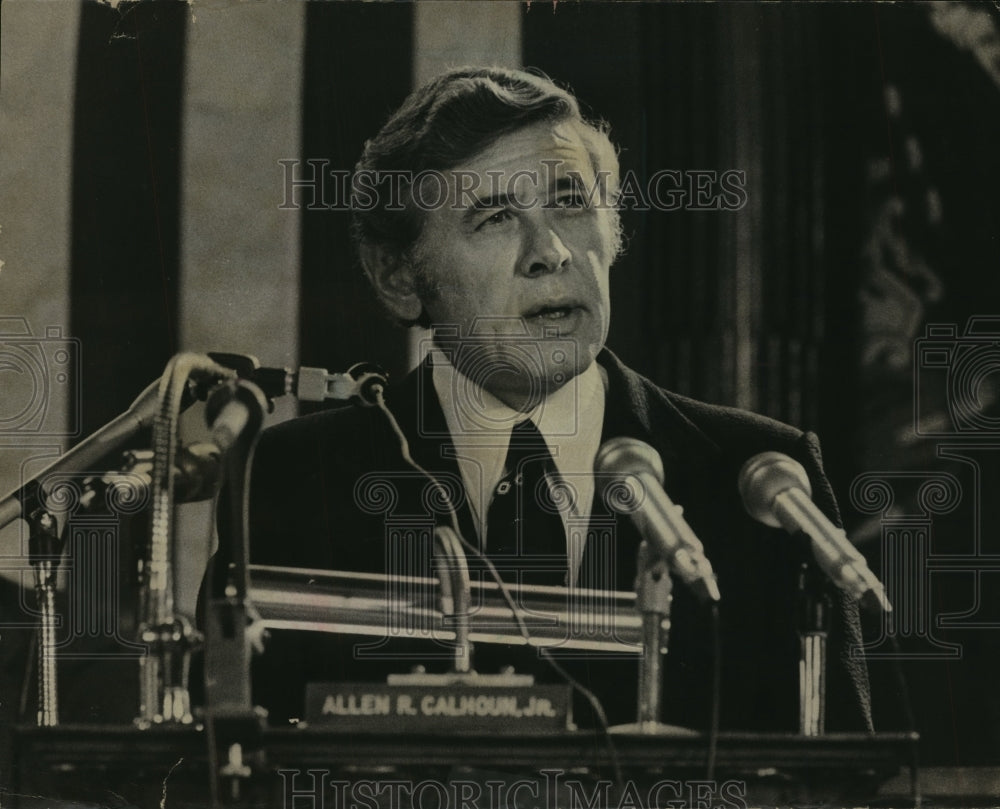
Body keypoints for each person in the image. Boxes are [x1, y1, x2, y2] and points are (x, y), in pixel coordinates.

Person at [236, 66, 872, 734]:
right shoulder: (290, 481)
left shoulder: (761, 481)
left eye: (571, 203)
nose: (551, 252)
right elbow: (226, 767)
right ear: (399, 277)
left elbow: (846, 774)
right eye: (495, 217)